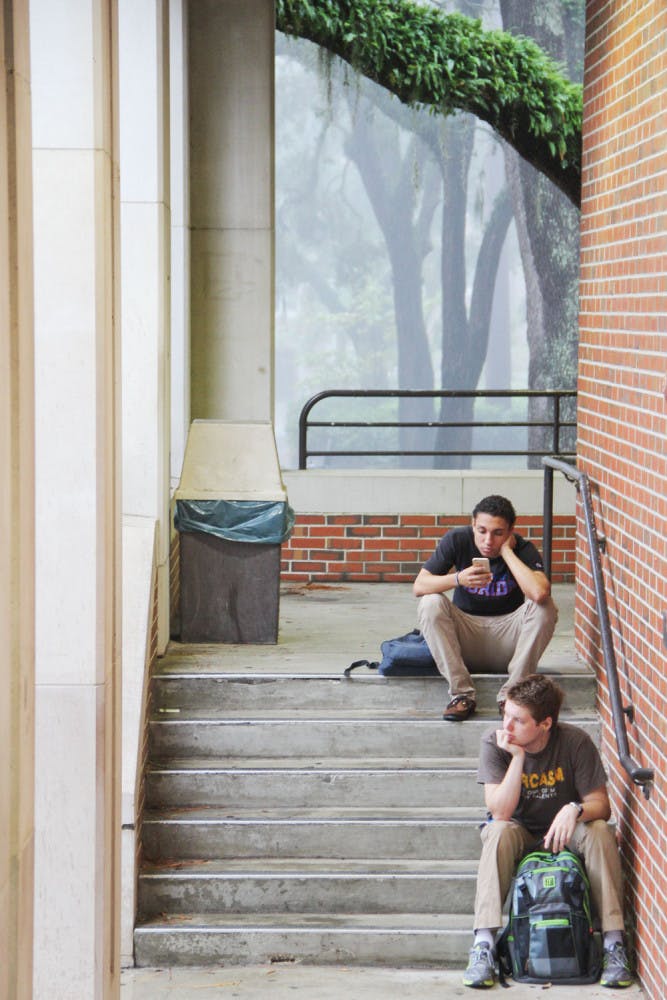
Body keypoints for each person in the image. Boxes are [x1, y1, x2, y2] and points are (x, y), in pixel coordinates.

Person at [463, 673, 633, 990]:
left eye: (518, 720)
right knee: (497, 830)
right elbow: (500, 810)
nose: (507, 726)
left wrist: (574, 809)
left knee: (598, 830)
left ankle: (613, 945)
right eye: (506, 715)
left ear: (545, 724)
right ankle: (484, 944)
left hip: (567, 835)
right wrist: (517, 758)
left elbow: (601, 804)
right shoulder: (495, 742)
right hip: (520, 832)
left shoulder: (575, 742)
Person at [413, 494, 557, 720]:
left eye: (498, 533)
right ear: (473, 525)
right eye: (481, 531)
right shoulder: (457, 540)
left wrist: (507, 552)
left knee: (544, 607)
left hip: (509, 643)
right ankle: (461, 695)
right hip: (465, 640)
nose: (488, 540)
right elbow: (419, 585)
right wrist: (458, 579)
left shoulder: (522, 549)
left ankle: (512, 696)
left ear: (510, 531)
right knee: (430, 602)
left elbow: (539, 592)